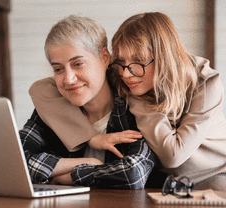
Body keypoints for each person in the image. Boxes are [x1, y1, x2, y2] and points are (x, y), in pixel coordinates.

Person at [29, 12, 226, 191]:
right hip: (167, 184)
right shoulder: (128, 74)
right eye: (120, 61)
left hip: (216, 177)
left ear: (163, 57)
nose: (127, 74)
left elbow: (173, 155)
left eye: (137, 61)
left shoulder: (205, 83)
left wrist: (140, 100)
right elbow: (40, 88)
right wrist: (91, 138)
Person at [20, 15, 158, 189]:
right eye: (58, 69)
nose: (68, 79)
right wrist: (87, 162)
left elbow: (133, 173)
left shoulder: (133, 109)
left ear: (105, 58)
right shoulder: (52, 109)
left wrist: (66, 177)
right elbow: (15, 161)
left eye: (78, 64)